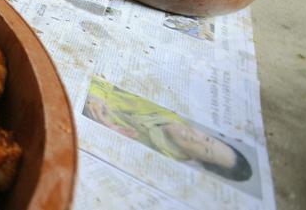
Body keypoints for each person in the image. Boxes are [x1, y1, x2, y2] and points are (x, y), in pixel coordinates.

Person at [84, 78, 253, 182]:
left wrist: (102, 134)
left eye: (207, 151)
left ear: (200, 159)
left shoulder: (150, 158)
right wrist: (96, 95)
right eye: (208, 140)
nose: (198, 140)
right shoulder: (171, 104)